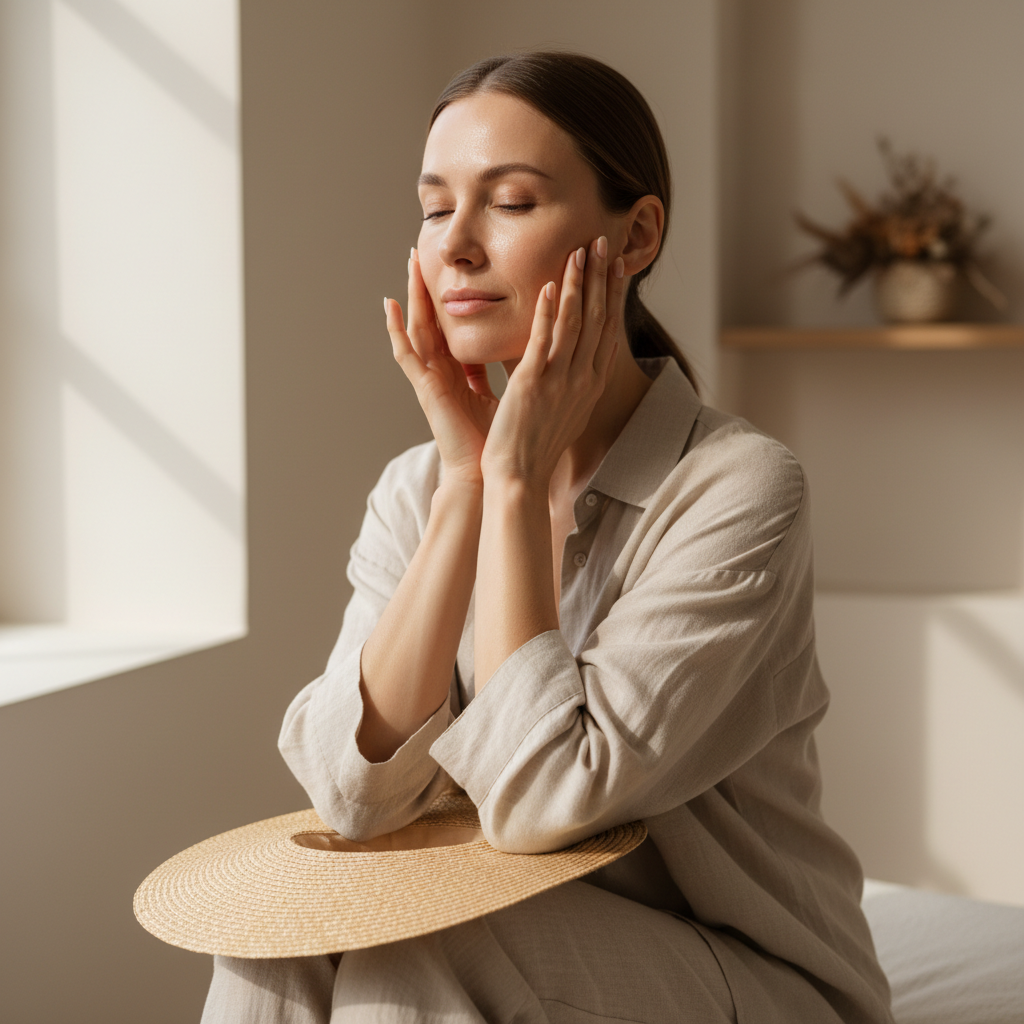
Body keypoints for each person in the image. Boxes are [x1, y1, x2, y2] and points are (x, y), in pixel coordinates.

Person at [201, 52, 894, 1024]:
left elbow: (543, 804)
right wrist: (465, 487)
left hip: (757, 975)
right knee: (272, 928)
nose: (457, 247)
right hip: (519, 932)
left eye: (512, 202)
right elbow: (351, 798)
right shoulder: (416, 488)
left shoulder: (738, 488)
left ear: (635, 233)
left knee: (421, 944)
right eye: (436, 207)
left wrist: (518, 487)